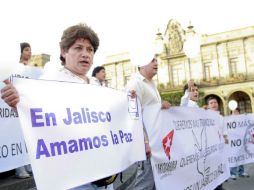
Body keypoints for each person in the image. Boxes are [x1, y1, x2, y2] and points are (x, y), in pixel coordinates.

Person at [1, 23, 112, 190]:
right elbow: (34, 114)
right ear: (63, 51)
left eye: (90, 49)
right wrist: (17, 105)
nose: (85, 54)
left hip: (103, 175)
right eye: (78, 48)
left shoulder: (97, 85)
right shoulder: (50, 81)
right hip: (72, 179)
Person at [126, 50, 171, 190]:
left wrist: (161, 107)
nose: (156, 62)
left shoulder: (151, 84)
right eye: (152, 60)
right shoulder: (135, 84)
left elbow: (150, 111)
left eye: (156, 60)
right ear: (141, 64)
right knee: (144, 184)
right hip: (147, 145)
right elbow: (132, 116)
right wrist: (144, 142)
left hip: (157, 142)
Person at [15, 42, 33, 179]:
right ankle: (19, 168)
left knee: (28, 137)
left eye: (30, 50)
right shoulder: (15, 68)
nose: (29, 52)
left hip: (28, 106)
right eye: (26, 50)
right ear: (20, 52)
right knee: (17, 137)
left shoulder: (31, 69)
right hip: (15, 106)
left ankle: (28, 165)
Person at [206, 95, 228, 190]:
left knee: (219, 171)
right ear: (208, 105)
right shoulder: (204, 116)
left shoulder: (221, 118)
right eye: (211, 103)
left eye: (215, 102)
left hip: (219, 150)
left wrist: (225, 138)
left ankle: (220, 186)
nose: (214, 104)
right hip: (209, 150)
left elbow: (224, 132)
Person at [230, 108, 250, 180]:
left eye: (237, 112)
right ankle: (232, 173)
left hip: (241, 142)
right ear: (231, 113)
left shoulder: (242, 120)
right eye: (234, 112)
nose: (235, 113)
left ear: (239, 113)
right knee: (234, 157)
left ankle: (241, 172)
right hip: (233, 143)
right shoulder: (229, 121)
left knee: (241, 157)